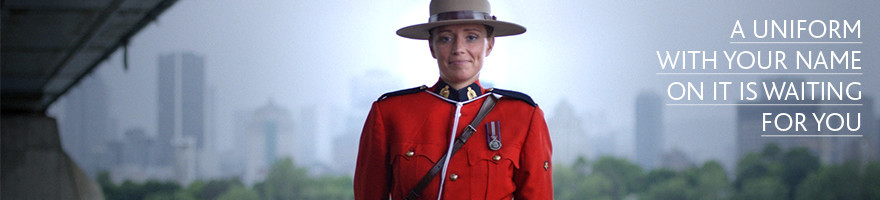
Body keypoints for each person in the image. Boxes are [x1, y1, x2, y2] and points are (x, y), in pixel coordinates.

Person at [354, 0, 553, 199]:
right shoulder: (390, 113)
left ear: (490, 44)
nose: (459, 48)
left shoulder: (524, 116)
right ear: (432, 46)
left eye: (472, 37)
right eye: (446, 38)